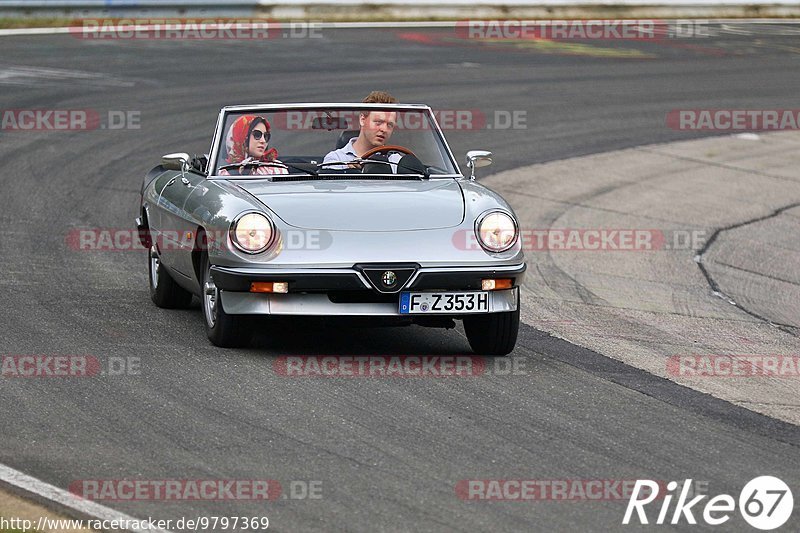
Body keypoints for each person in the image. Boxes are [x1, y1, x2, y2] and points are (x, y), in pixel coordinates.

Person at [323, 91, 401, 170]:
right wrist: (348, 172)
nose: (384, 129)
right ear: (362, 119)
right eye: (378, 122)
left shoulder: (396, 162)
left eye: (390, 125)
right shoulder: (336, 159)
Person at [219, 115, 288, 176]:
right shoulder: (225, 174)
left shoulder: (278, 169)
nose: (263, 141)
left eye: (266, 136)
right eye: (257, 135)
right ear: (241, 136)